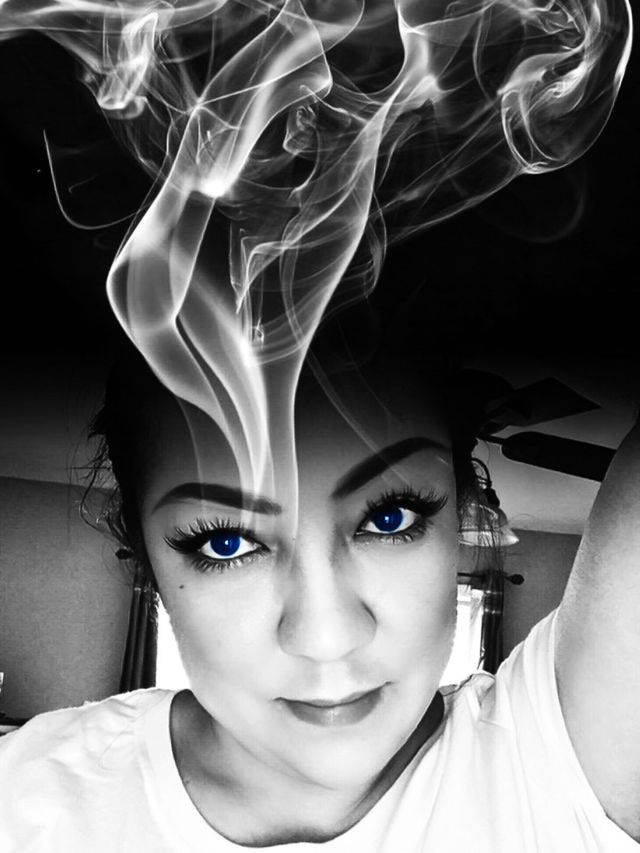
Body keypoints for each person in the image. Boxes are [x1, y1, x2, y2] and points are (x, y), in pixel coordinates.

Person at [0, 320, 639, 853]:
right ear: (150, 568)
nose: (326, 638)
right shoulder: (24, 799)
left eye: (390, 518)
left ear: (463, 516)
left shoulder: (559, 759)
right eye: (227, 543)